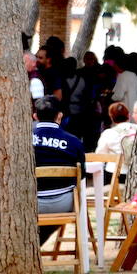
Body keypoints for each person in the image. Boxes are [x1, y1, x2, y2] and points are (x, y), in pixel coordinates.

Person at [33, 96, 85, 245]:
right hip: (64, 203)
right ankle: (36, 243)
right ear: (60, 116)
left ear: (35, 116)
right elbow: (82, 175)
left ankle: (33, 244)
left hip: (31, 203)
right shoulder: (74, 141)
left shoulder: (22, 140)